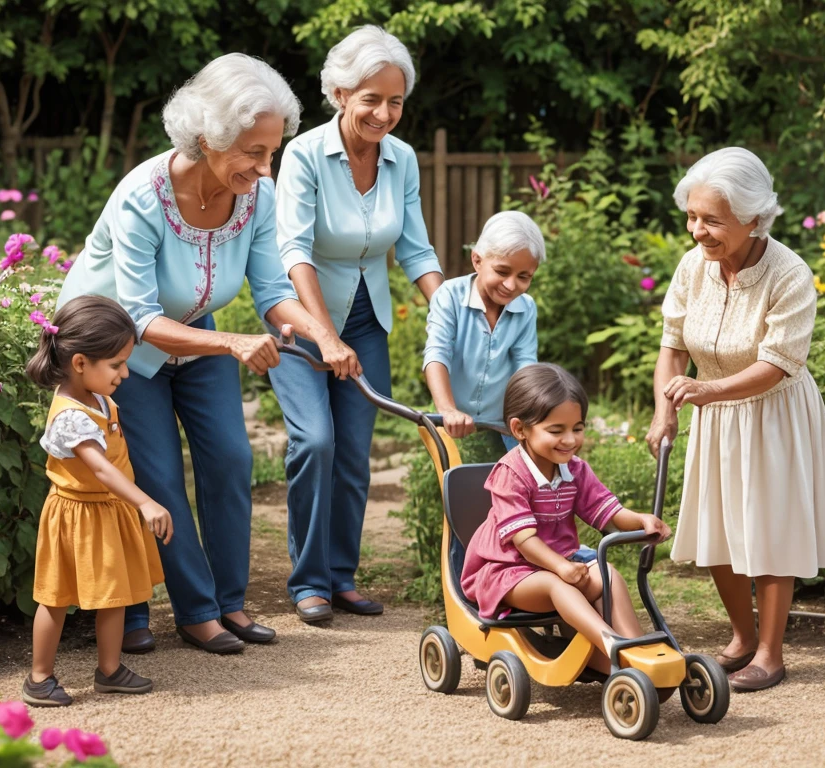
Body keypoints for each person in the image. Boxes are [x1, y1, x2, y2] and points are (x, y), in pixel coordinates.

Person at [57, 54, 347, 655]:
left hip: (198, 331)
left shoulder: (256, 198)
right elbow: (137, 317)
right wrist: (234, 342)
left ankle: (230, 602)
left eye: (271, 152)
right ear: (207, 136)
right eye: (253, 151)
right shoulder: (143, 194)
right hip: (117, 351)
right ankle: (194, 612)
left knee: (230, 459)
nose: (266, 168)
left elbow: (271, 292)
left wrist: (321, 333)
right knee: (159, 472)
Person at [646, 146, 825, 692]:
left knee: (769, 531)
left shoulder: (790, 274)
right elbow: (672, 345)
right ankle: (740, 636)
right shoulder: (695, 266)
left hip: (773, 414)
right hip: (714, 414)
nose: (697, 232)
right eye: (692, 215)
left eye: (713, 220)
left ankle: (771, 654)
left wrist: (705, 391)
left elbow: (778, 364)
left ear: (755, 218)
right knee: (719, 530)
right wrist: (665, 413)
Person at [270, 25, 443, 624]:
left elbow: (417, 251)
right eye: (371, 98)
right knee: (315, 441)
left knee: (354, 454)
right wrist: (324, 334)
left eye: (395, 101)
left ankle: (340, 576)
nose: (384, 113)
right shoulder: (304, 154)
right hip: (302, 315)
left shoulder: (402, 159)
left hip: (369, 318)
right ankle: (308, 580)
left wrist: (450, 314)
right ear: (340, 93)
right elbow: (292, 251)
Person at [461, 364, 671, 674]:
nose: (570, 440)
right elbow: (525, 541)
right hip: (508, 573)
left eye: (578, 428)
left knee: (607, 574)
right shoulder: (510, 475)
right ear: (520, 430)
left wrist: (641, 521)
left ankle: (635, 648)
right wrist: (560, 567)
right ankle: (610, 643)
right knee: (560, 586)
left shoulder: (575, 470)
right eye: (556, 431)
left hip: (562, 564)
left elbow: (609, 512)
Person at [22, 296, 172, 707]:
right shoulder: (71, 414)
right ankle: (39, 678)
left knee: (117, 593)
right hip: (77, 516)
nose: (124, 373)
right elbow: (102, 468)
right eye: (116, 364)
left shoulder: (99, 398)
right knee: (55, 598)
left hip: (107, 511)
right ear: (81, 363)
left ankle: (109, 670)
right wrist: (146, 503)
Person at [423, 211, 544, 451]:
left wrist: (528, 413)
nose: (511, 285)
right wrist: (447, 409)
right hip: (453, 426)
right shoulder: (449, 296)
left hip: (504, 426)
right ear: (477, 260)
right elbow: (437, 354)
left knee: (511, 484)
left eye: (523, 277)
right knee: (455, 484)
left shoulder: (526, 307)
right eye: (502, 271)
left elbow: (525, 364)